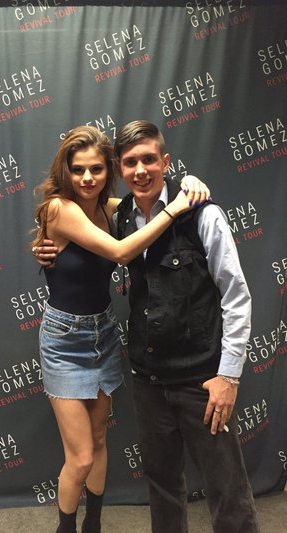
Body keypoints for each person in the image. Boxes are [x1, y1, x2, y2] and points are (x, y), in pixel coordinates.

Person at [36, 120, 259, 533]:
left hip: (191, 370)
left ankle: (92, 524)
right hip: (119, 363)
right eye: (130, 163)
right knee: (148, 480)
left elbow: (236, 296)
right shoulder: (94, 213)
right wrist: (175, 207)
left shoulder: (177, 213)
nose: (140, 170)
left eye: (149, 160)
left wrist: (227, 375)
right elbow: (117, 252)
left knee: (225, 486)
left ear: (165, 162)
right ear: (121, 169)